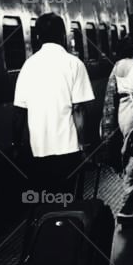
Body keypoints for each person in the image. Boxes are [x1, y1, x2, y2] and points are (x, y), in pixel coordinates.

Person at [12, 13, 95, 203]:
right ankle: (68, 229)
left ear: (38, 37)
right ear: (63, 35)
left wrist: (16, 145)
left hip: (39, 149)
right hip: (69, 149)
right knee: (70, 199)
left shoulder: (28, 66)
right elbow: (79, 110)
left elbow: (19, 112)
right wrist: (85, 147)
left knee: (47, 200)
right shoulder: (74, 64)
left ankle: (51, 228)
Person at [100, 30, 133, 224]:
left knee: (129, 151)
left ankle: (132, 199)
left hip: (122, 112)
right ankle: (130, 202)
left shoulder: (117, 65)